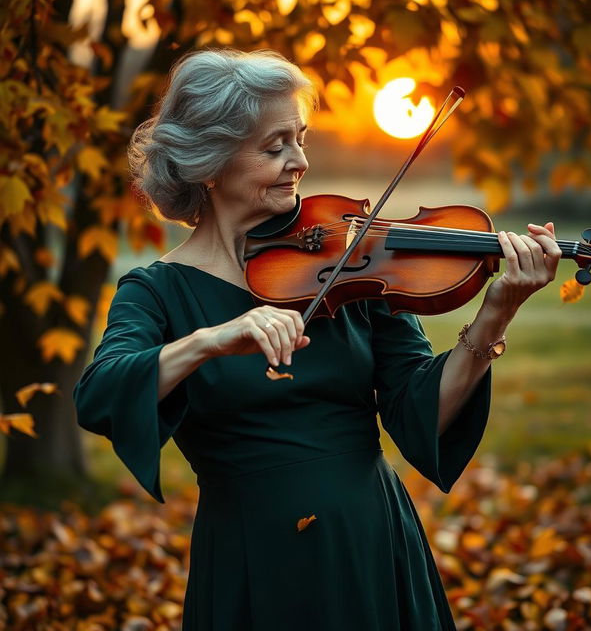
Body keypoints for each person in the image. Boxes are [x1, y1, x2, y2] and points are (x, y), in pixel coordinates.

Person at [73, 48, 562, 630]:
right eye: (274, 145)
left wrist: (496, 312)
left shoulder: (345, 262)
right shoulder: (155, 293)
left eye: (300, 138)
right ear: (208, 161)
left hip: (372, 542)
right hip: (254, 558)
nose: (300, 160)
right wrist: (210, 341)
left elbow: (420, 413)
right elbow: (101, 394)